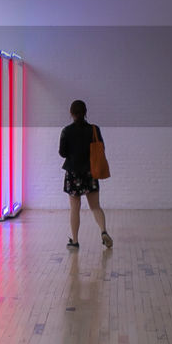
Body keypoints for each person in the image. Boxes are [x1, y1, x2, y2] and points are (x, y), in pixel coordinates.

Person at [59, 99, 112, 249]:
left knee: (75, 209)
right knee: (95, 206)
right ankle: (103, 231)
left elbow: (62, 153)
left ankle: (75, 241)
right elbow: (101, 148)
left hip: (73, 173)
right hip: (91, 172)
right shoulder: (94, 129)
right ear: (85, 113)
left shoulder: (66, 131)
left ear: (71, 113)